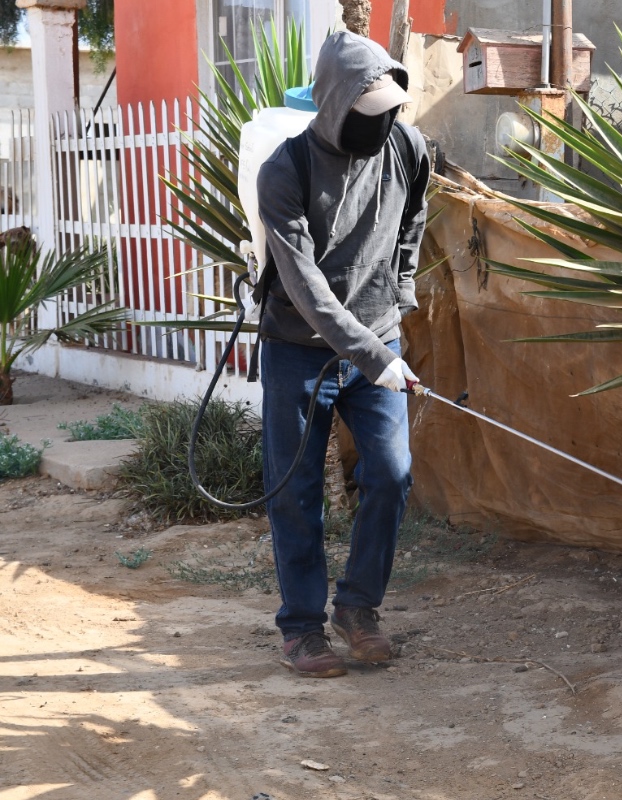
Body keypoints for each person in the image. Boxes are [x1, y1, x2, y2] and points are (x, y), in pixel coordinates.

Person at [256, 31, 431, 678]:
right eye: (369, 111)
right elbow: (302, 287)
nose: (384, 122)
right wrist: (370, 354)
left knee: (389, 471)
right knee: (296, 490)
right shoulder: (284, 171)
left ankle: (357, 609)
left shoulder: (407, 148)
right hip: (298, 347)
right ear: (332, 106)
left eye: (390, 108)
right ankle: (301, 628)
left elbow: (412, 220)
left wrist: (400, 294)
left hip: (376, 336)